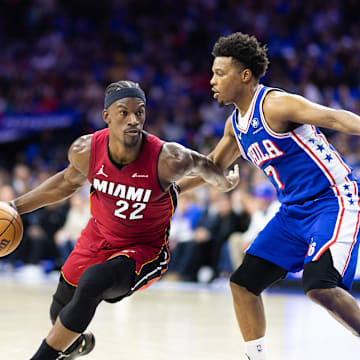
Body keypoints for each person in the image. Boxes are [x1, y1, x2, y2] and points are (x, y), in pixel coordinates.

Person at [10, 80, 239, 360]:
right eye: (123, 112)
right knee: (59, 315)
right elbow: (65, 183)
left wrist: (223, 182)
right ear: (106, 116)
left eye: (139, 113)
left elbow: (205, 165)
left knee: (93, 282)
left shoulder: (168, 158)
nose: (133, 120)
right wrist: (13, 207)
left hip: (144, 249)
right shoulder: (86, 150)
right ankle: (79, 344)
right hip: (97, 237)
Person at [177, 32, 360, 359]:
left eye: (220, 73)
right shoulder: (235, 125)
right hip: (292, 213)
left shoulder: (275, 104)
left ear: (244, 76)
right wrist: (170, 190)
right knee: (243, 283)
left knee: (320, 286)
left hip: (333, 200)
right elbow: (212, 168)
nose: (212, 81)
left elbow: (335, 117)